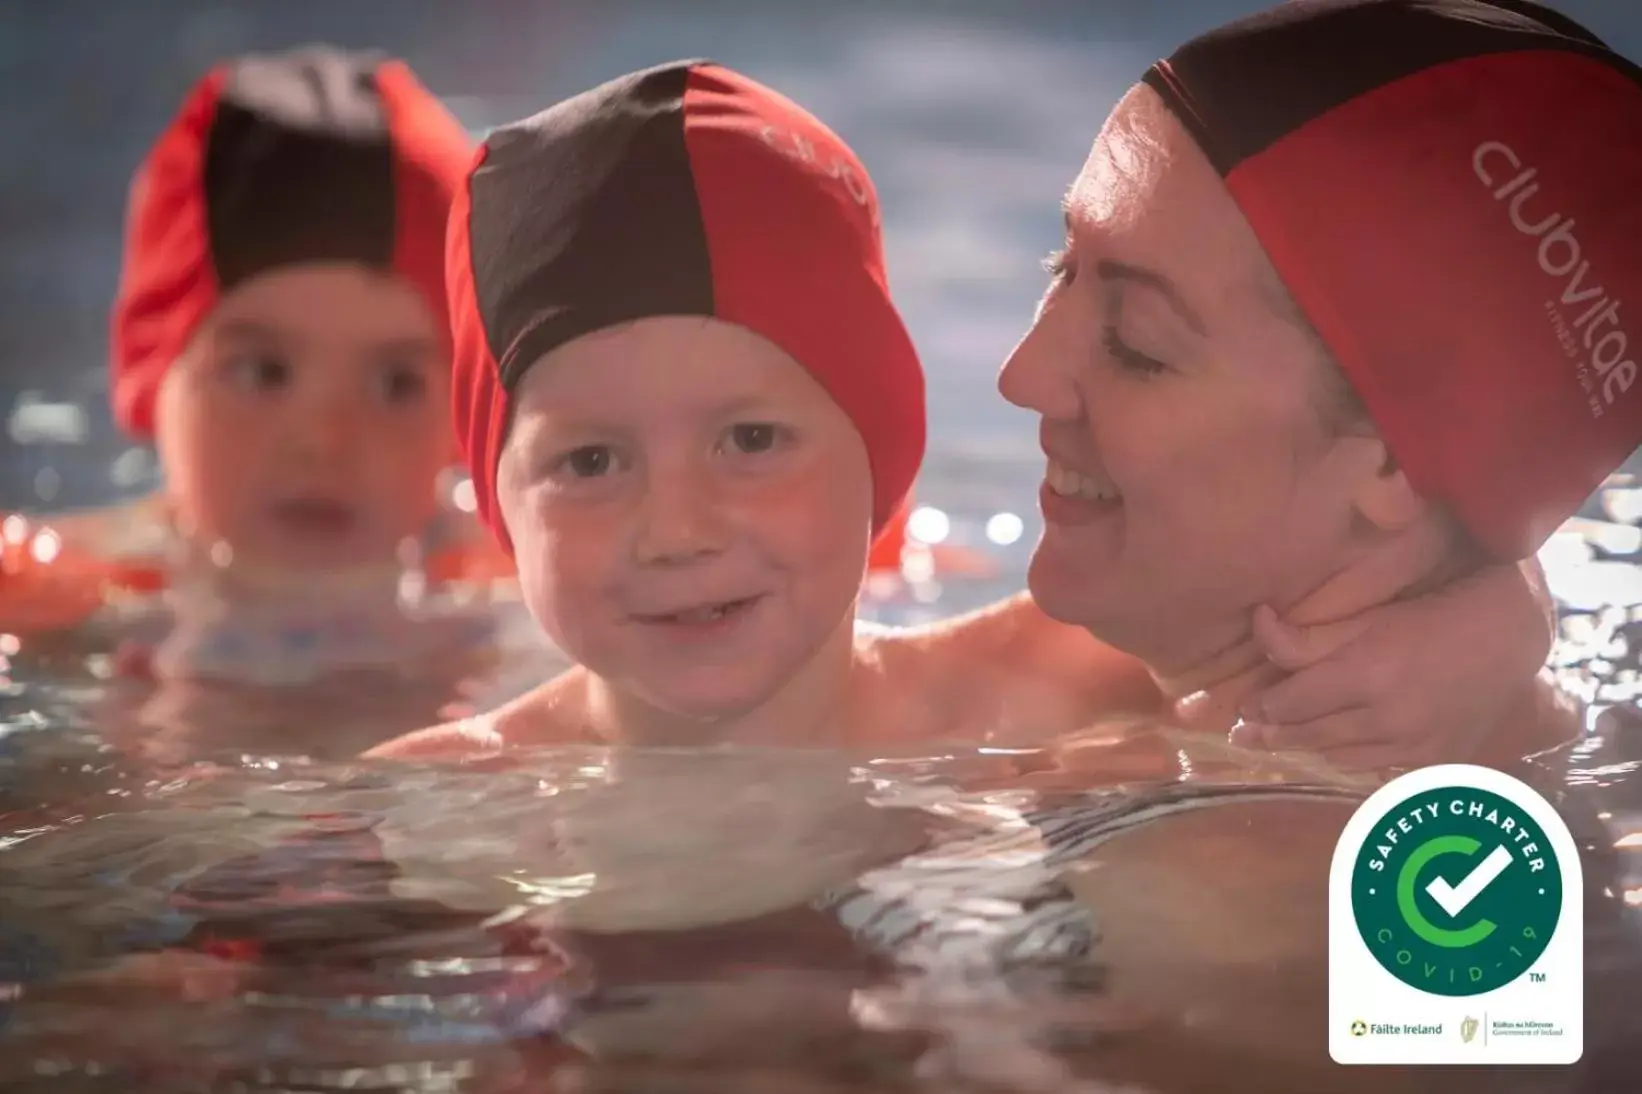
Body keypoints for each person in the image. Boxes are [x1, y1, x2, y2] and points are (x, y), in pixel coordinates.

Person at [370, 56, 1561, 769]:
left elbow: (1366, 576)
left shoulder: (1035, 685)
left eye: (750, 439)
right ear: (498, 500)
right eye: (588, 460)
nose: (676, 525)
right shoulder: (445, 796)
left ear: (882, 452)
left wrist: (1498, 627)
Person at [0, 47, 524, 759]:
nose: (324, 440)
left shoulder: (532, 580)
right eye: (263, 372)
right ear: (155, 376)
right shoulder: (58, 590)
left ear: (464, 410)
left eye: (395, 384)